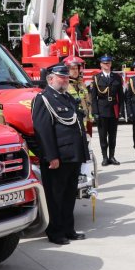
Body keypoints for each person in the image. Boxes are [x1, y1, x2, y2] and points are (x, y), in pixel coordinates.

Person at [32, 64, 89, 245]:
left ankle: (68, 229)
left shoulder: (67, 97)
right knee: (55, 197)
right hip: (58, 158)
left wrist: (83, 153)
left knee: (69, 195)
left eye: (66, 77)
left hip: (73, 155)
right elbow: (43, 131)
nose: (64, 80)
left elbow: (77, 126)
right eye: (61, 77)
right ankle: (56, 233)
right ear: (50, 79)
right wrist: (51, 156)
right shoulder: (43, 99)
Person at [90, 54, 123, 166]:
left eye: (108, 63)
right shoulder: (96, 78)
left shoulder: (117, 77)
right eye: (104, 63)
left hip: (113, 110)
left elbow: (121, 96)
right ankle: (105, 157)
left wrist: (121, 110)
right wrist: (95, 112)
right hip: (102, 110)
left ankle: (112, 156)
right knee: (103, 135)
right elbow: (93, 97)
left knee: (113, 135)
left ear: (111, 64)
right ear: (101, 64)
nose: (107, 65)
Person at [64, 55, 93, 134]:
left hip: (86, 124)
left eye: (76, 68)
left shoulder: (82, 84)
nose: (75, 71)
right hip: (73, 124)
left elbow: (88, 102)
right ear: (67, 70)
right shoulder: (64, 86)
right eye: (72, 69)